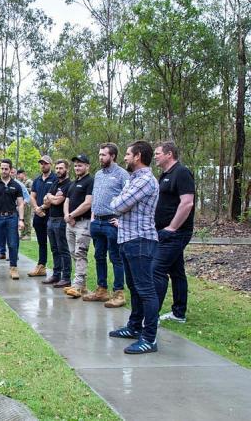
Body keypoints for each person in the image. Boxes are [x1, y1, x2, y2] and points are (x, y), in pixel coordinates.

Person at [108, 140, 160, 354]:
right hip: (128, 239)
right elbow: (121, 203)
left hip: (140, 240)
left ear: (138, 156)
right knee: (135, 288)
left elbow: (117, 205)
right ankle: (134, 327)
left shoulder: (145, 180)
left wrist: (117, 201)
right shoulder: (133, 179)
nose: (125, 158)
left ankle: (149, 338)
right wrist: (119, 201)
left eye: (128, 154)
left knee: (146, 289)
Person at [152, 141, 195, 323]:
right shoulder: (165, 174)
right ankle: (179, 313)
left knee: (156, 269)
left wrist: (172, 228)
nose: (155, 156)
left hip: (176, 233)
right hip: (164, 231)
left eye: (158, 153)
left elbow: (187, 203)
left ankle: (151, 315)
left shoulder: (182, 172)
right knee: (177, 272)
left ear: (169, 154)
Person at [84, 143, 130, 308]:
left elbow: (129, 199)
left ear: (113, 156)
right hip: (97, 222)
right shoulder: (98, 174)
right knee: (98, 256)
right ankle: (102, 290)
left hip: (112, 222)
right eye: (100, 154)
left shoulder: (122, 174)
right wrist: (93, 218)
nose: (100, 157)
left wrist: (121, 220)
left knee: (115, 258)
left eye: (104, 155)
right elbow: (95, 197)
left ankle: (118, 293)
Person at [0, 159, 25, 280]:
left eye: (6, 168)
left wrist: (21, 220)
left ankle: (13, 268)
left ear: (10, 170)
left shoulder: (16, 185)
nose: (4, 171)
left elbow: (21, 204)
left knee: (12, 244)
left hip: (12, 217)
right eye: (2, 168)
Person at [63, 155, 94, 298]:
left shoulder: (90, 181)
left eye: (80, 165)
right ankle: (81, 285)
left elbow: (88, 203)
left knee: (80, 253)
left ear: (87, 166)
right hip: (71, 223)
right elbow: (66, 201)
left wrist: (72, 216)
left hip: (83, 223)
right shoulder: (73, 183)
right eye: (75, 165)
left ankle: (77, 285)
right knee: (72, 252)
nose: (77, 168)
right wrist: (67, 216)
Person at [42, 160, 72, 287]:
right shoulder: (55, 182)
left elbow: (57, 202)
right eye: (57, 168)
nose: (58, 170)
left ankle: (66, 277)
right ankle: (56, 275)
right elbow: (46, 200)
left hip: (61, 220)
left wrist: (51, 197)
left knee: (63, 249)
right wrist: (50, 196)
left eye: (61, 168)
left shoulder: (68, 185)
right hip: (51, 219)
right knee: (54, 249)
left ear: (67, 169)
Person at [28, 156, 58, 277]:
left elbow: (56, 197)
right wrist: (36, 208)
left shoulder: (55, 178)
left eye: (45, 163)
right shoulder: (37, 180)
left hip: (51, 215)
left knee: (55, 244)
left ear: (50, 164)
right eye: (41, 163)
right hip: (38, 215)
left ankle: (58, 271)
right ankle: (41, 266)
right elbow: (32, 196)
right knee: (41, 242)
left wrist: (42, 208)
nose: (43, 165)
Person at [16, 169, 33, 239]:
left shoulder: (29, 181)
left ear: (23, 174)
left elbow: (33, 190)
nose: (18, 176)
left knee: (27, 218)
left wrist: (24, 188)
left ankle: (28, 234)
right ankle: (23, 234)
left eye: (20, 174)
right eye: (18, 174)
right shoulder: (20, 182)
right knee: (22, 218)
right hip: (21, 201)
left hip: (27, 202)